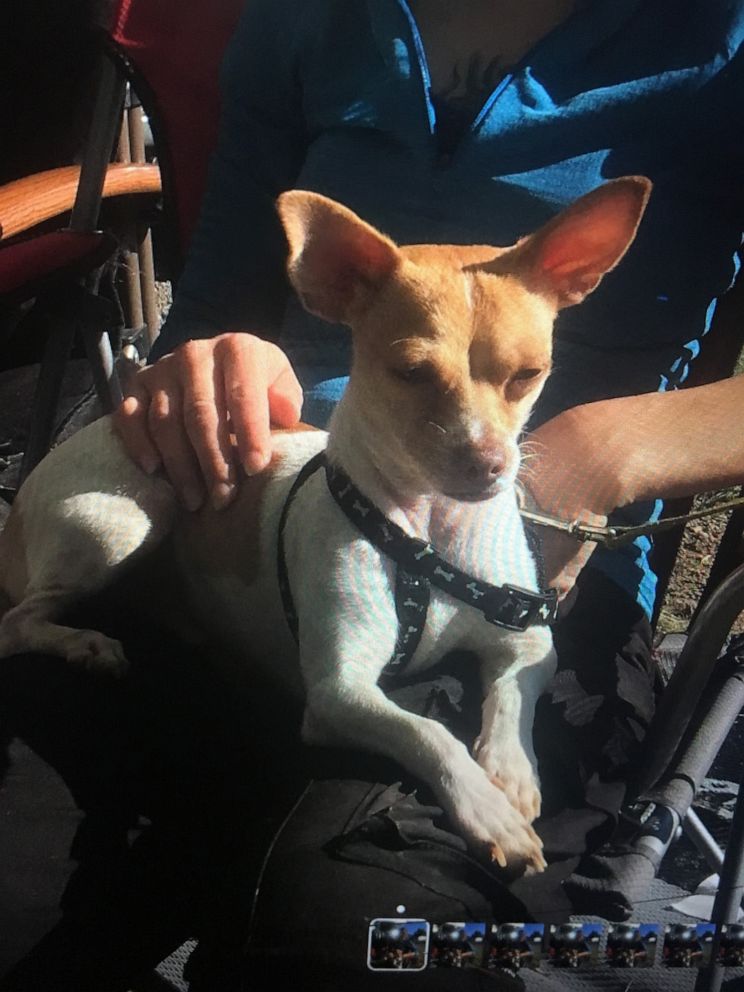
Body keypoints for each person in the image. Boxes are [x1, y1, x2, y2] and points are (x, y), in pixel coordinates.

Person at [1, 2, 744, 990]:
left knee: (343, 922)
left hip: (550, 560)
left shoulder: (717, 38)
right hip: (279, 494)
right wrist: (215, 359)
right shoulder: (309, 19)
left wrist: (610, 444)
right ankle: (172, 867)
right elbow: (219, 296)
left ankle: (173, 875)